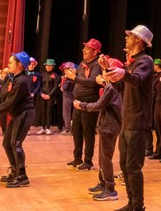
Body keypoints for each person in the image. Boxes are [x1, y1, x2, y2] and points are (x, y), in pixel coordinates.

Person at [109, 24, 154, 211]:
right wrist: (111, 75)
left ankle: (138, 206)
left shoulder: (146, 61)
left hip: (138, 121)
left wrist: (124, 73)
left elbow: (136, 80)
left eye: (130, 36)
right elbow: (123, 87)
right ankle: (131, 203)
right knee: (124, 166)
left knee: (133, 167)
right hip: (127, 121)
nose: (126, 38)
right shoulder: (133, 63)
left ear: (138, 40)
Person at [77, 55, 125, 201]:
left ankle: (110, 189)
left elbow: (98, 105)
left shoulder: (111, 88)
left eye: (106, 70)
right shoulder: (110, 86)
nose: (102, 72)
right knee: (102, 158)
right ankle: (103, 183)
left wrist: (81, 105)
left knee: (106, 159)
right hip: (107, 126)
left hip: (110, 127)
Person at [0, 51, 35, 187]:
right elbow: (2, 96)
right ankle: (14, 171)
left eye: (11, 62)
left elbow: (10, 103)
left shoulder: (22, 81)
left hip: (25, 113)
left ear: (20, 65)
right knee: (7, 143)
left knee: (15, 143)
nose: (8, 64)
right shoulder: (10, 77)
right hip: (17, 114)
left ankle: (22, 176)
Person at [65, 38, 103, 170]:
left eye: (87, 49)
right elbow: (80, 79)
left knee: (88, 132)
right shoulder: (83, 63)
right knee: (76, 131)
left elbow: (93, 82)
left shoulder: (97, 65)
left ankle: (88, 161)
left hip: (89, 102)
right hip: (78, 102)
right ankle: (77, 158)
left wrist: (74, 78)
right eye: (84, 48)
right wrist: (73, 74)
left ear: (95, 52)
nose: (83, 50)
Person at [37, 59, 59, 135]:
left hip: (50, 96)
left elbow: (55, 86)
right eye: (47, 65)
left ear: (52, 66)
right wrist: (41, 94)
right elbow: (39, 85)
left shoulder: (55, 75)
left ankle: (48, 128)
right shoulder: (42, 75)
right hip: (43, 95)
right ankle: (43, 128)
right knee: (43, 111)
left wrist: (49, 95)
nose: (48, 67)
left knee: (48, 112)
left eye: (50, 65)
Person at [59, 62, 76, 134]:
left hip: (67, 97)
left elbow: (63, 89)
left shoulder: (68, 80)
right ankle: (72, 128)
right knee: (73, 113)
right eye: (65, 69)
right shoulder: (75, 78)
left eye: (67, 69)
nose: (65, 71)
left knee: (66, 114)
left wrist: (62, 84)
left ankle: (67, 129)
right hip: (73, 96)